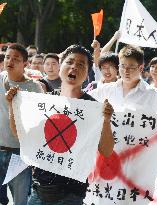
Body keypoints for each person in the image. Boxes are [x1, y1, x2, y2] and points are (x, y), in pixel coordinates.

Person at [6, 44, 114, 205]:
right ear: (61, 66)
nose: (74, 67)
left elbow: (106, 150)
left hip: (71, 194)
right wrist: (11, 106)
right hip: (39, 189)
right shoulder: (45, 101)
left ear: (87, 74)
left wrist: (106, 121)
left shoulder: (94, 109)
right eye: (70, 62)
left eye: (81, 64)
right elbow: (21, 136)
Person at [0, 43, 43, 205]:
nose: (9, 61)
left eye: (16, 59)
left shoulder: (34, 88)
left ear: (25, 64)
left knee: (20, 201)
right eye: (7, 57)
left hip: (20, 155)